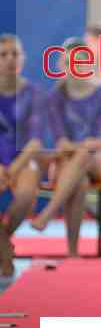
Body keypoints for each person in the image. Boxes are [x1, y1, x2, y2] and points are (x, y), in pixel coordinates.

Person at [31, 38, 101, 256]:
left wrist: (83, 146)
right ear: (63, 65)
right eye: (70, 63)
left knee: (86, 152)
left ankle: (49, 211)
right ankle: (72, 252)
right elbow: (62, 142)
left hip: (98, 162)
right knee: (80, 182)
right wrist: (81, 146)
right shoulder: (54, 97)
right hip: (66, 162)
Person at [0, 34, 43, 275]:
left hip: (23, 159)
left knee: (27, 195)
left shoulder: (32, 94)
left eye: (14, 54)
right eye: (3, 54)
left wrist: (13, 168)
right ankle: (5, 251)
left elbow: (35, 141)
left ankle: (3, 241)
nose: (9, 59)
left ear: (23, 58)